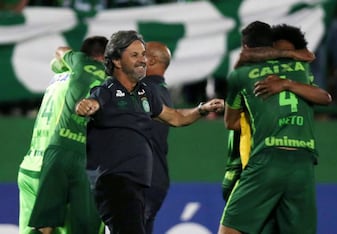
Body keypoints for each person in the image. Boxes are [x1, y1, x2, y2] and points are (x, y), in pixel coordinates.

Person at [75, 30, 224, 234]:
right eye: (134, 55)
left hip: (137, 184)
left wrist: (201, 110)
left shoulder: (146, 92)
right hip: (115, 182)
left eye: (143, 54)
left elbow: (175, 117)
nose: (142, 60)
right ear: (117, 61)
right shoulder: (107, 90)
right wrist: (87, 106)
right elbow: (92, 102)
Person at [219, 21, 332, 234]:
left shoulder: (241, 75)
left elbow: (230, 122)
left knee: (230, 230)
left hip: (264, 160)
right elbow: (325, 97)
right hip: (303, 163)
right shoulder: (301, 69)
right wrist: (288, 78)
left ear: (246, 47)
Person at [17, 36, 108, 234]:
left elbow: (58, 58)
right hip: (60, 171)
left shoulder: (58, 78)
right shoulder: (93, 82)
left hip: (30, 166)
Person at [140, 41, 173, 233]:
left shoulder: (142, 90)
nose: (133, 59)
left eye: (139, 55)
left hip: (141, 180)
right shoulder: (162, 92)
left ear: (150, 60)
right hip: (155, 179)